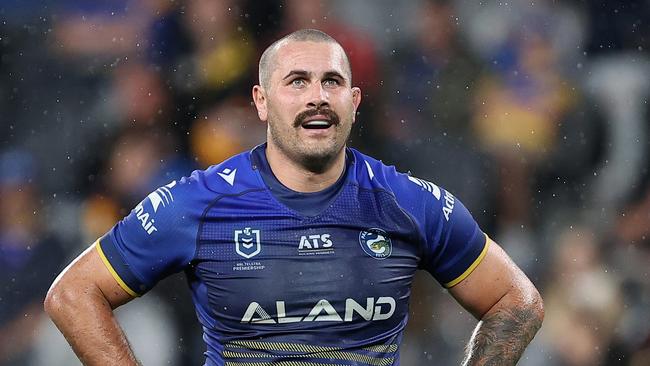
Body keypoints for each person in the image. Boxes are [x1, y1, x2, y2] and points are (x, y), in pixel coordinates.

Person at [44, 29, 544, 366]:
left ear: (354, 101)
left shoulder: (408, 203)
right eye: (297, 82)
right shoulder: (200, 203)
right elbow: (73, 295)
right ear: (261, 102)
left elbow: (516, 301)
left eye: (332, 81)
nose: (317, 97)